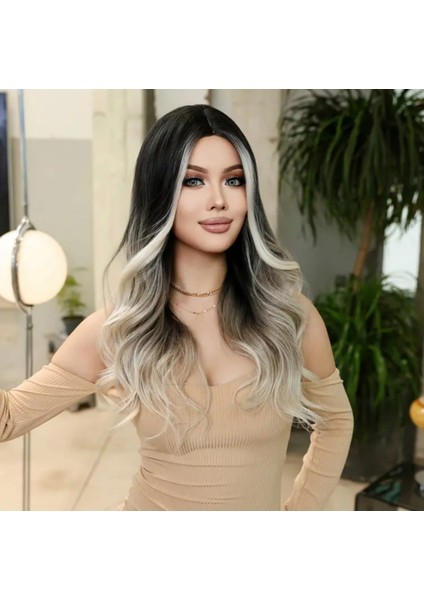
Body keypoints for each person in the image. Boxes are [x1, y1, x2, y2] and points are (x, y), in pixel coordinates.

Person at [0, 104, 353, 511]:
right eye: (193, 181)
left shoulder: (288, 316)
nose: (218, 200)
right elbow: (9, 418)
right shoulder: (120, 328)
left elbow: (336, 421)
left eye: (234, 180)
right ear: (160, 192)